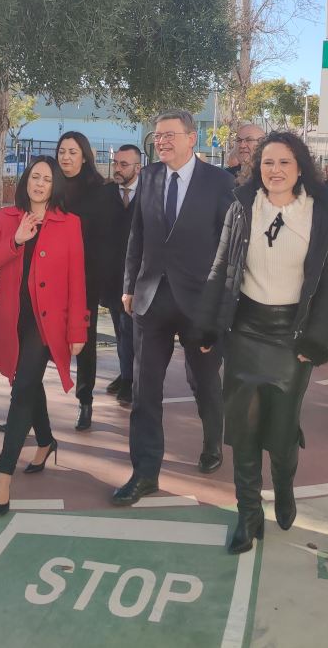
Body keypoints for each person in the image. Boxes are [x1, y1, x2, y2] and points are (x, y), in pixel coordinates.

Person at [197, 132, 328, 553]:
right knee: (243, 430)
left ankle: (283, 484)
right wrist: (207, 327)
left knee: (280, 431)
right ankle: (248, 513)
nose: (275, 170)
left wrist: (317, 339)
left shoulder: (322, 213)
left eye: (284, 162)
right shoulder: (242, 206)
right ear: (256, 167)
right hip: (245, 330)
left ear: (300, 168)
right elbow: (222, 267)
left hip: (292, 336)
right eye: (267, 162)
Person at [113, 110, 235, 506]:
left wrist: (220, 308)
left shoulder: (220, 182)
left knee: (204, 381)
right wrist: (129, 286)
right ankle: (145, 472)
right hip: (151, 300)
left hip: (200, 304)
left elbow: (229, 249)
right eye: (157, 135)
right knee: (144, 389)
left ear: (191, 138)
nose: (161, 141)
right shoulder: (148, 177)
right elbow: (137, 236)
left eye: (169, 135)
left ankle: (213, 440)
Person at [0, 157, 88, 515]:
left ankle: (3, 474)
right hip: (13, 319)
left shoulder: (69, 223)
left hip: (45, 324)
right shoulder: (6, 218)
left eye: (47, 179)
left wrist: (78, 329)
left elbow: (77, 280)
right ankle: (46, 441)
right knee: (27, 383)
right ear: (26, 181)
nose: (39, 184)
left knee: (23, 386)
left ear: (55, 187)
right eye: (35, 177)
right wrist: (15, 240)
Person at [55, 131, 110, 430]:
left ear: (85, 156)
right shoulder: (50, 184)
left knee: (83, 340)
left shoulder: (100, 191)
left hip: (84, 278)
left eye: (72, 152)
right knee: (36, 339)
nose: (66, 157)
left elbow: (103, 240)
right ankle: (24, 404)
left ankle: (85, 400)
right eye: (62, 151)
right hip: (49, 275)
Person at [102, 144, 142, 407]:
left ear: (138, 168)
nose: (117, 168)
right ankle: (126, 373)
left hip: (139, 278)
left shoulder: (150, 194)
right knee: (120, 329)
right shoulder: (105, 194)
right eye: (116, 163)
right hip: (112, 278)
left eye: (124, 164)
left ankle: (131, 380)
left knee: (131, 331)